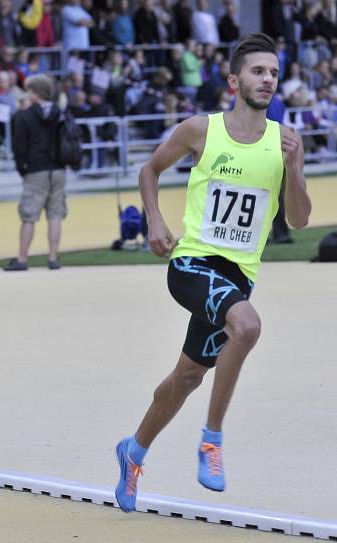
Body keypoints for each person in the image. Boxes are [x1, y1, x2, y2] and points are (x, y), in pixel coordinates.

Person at [114, 33, 311, 513]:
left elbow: (299, 219)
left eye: (273, 74)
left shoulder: (283, 141)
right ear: (233, 80)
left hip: (238, 277)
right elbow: (149, 170)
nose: (267, 80)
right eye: (258, 72)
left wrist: (296, 164)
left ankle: (133, 452)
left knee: (186, 377)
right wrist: (156, 222)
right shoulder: (202, 130)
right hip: (192, 264)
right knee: (247, 325)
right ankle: (212, 439)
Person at [5, 74, 65, 271]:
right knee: (55, 214)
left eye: (29, 90)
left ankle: (22, 259)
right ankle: (53, 258)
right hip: (58, 168)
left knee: (29, 216)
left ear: (36, 92)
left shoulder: (24, 116)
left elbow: (19, 149)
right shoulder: (60, 112)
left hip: (35, 170)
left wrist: (23, 171)